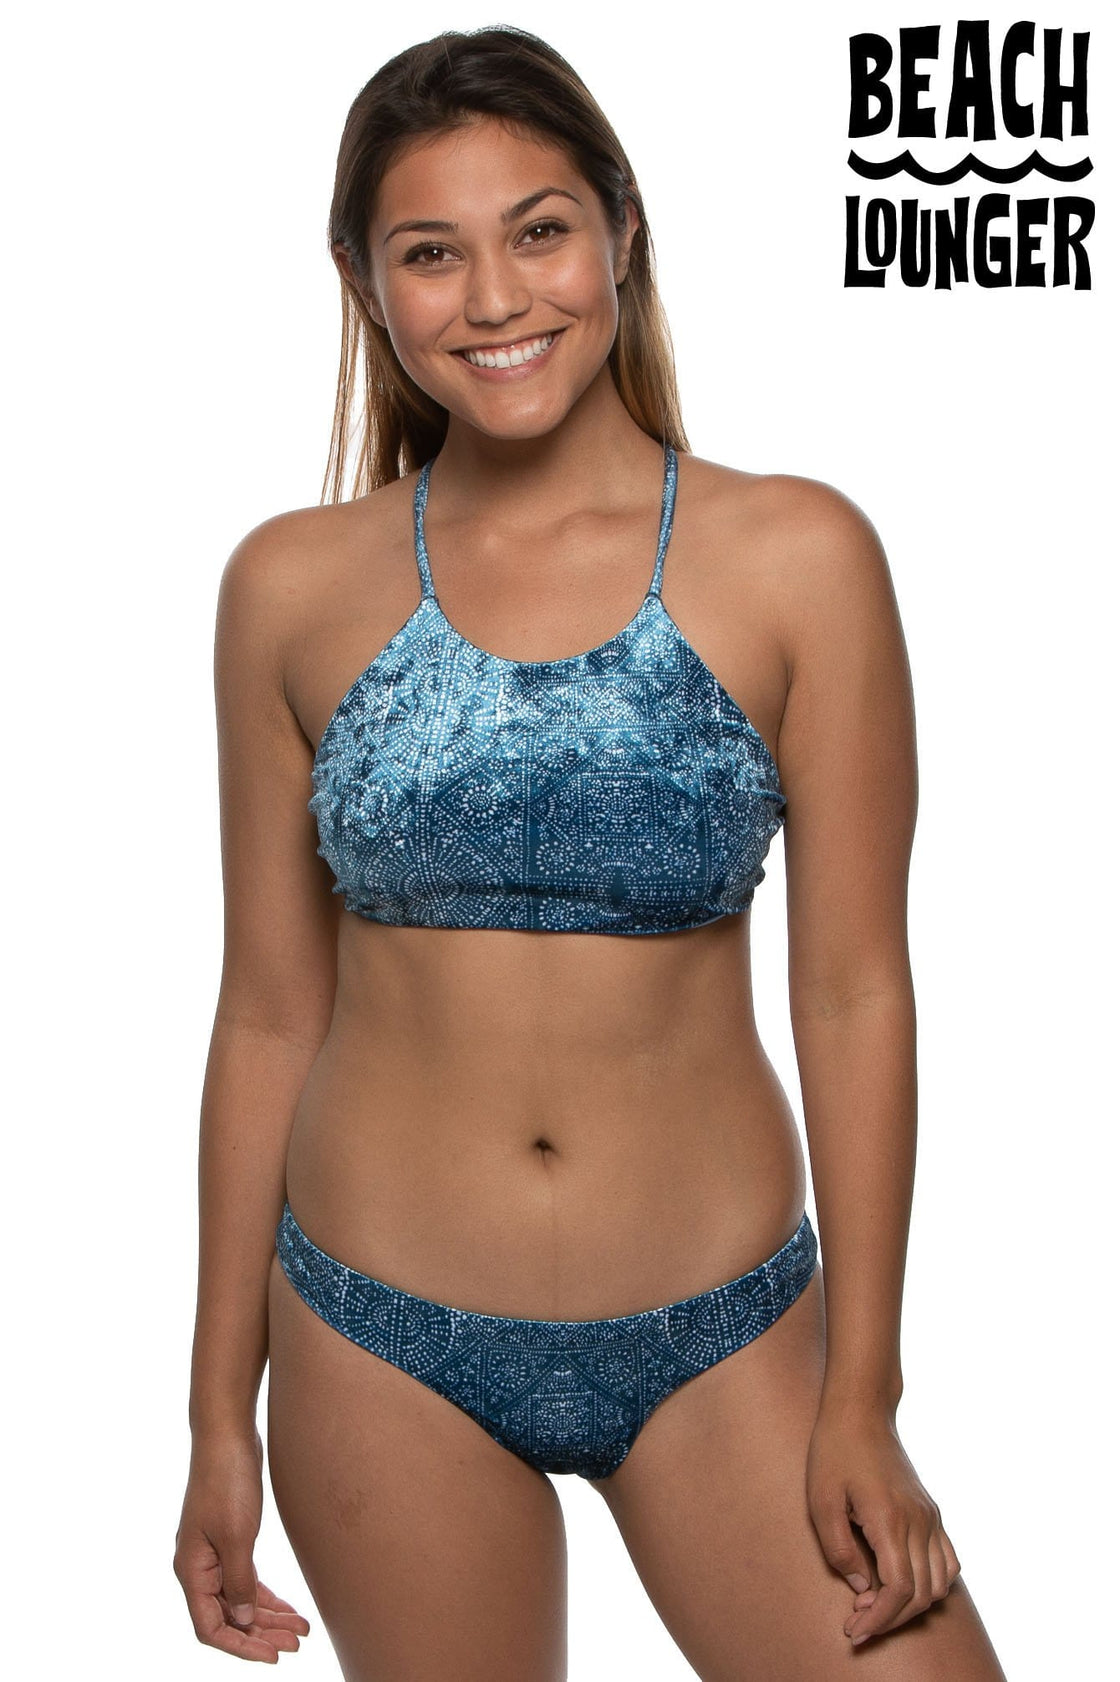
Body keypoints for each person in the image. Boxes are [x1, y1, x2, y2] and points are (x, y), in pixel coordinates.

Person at [174, 25, 1008, 1681]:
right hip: (377, 1337)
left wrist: (864, 1390)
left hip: (725, 1335)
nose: (494, 297)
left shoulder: (799, 556)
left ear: (623, 229)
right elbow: (267, 1012)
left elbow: (855, 991)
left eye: (539, 230)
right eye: (431, 252)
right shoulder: (289, 587)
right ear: (364, 284)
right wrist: (216, 1410)